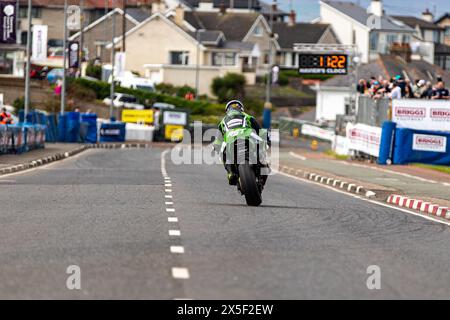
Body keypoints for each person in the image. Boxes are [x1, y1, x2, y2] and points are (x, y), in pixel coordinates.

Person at [213, 100, 264, 186]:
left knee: (223, 154)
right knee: (261, 146)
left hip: (230, 139)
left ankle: (230, 173)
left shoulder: (222, 121)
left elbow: (218, 140)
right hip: (247, 136)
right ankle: (262, 162)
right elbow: (260, 130)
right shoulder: (247, 116)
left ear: (227, 110)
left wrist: (216, 146)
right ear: (241, 109)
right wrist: (266, 139)